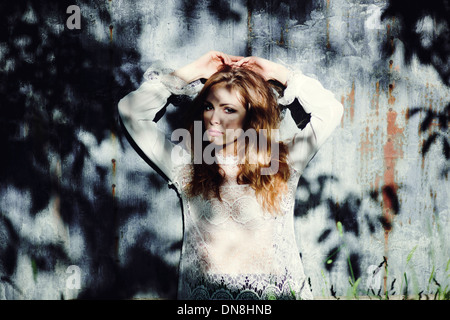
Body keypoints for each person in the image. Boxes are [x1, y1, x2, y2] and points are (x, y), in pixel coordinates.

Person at [118, 51, 343, 300]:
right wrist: (193, 71)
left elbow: (330, 111)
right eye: (208, 106)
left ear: (252, 117)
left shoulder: (282, 161)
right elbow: (131, 111)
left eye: (228, 109)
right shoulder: (187, 164)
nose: (214, 118)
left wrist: (280, 75)